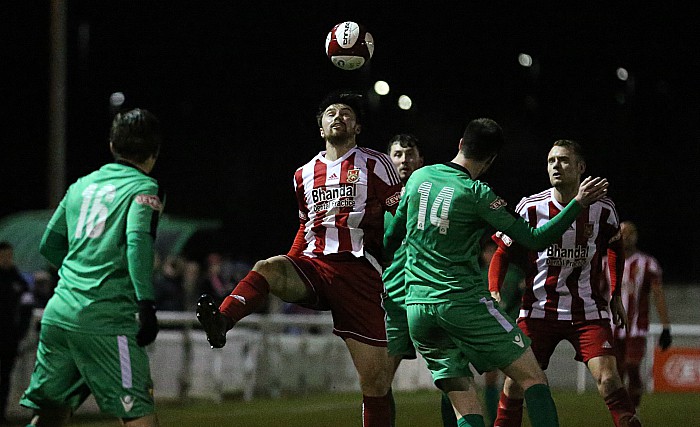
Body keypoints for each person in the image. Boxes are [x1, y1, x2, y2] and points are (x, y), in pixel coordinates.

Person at [384, 119, 609, 427]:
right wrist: (578, 204)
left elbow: (391, 238)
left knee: (461, 393)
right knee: (533, 377)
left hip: (417, 309)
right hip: (460, 303)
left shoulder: (419, 177)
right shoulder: (477, 193)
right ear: (490, 160)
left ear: (460, 144)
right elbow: (533, 239)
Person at [197, 91, 403, 427]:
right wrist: (292, 263)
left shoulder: (376, 163)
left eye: (347, 113)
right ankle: (222, 320)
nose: (339, 117)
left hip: (359, 273)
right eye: (331, 112)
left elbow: (402, 216)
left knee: (376, 384)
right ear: (321, 127)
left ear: (358, 126)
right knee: (268, 267)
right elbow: (306, 226)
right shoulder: (303, 174)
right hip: (315, 266)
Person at [20, 108, 164, 427]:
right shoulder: (144, 188)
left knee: (50, 415)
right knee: (138, 413)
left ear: (112, 145)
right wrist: (146, 303)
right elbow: (137, 243)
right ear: (154, 152)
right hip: (107, 318)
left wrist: (80, 274)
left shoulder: (80, 185)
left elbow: (49, 244)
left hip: (59, 315)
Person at [489, 139, 641, 427]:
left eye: (564, 160)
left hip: (587, 311)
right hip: (538, 311)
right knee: (514, 385)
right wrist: (493, 289)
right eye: (551, 161)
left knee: (608, 380)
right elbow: (501, 252)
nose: (556, 166)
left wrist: (616, 294)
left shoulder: (603, 209)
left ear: (581, 167)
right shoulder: (531, 207)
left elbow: (614, 248)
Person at [381, 134, 460, 426]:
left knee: (452, 377)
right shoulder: (377, 203)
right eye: (397, 154)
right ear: (388, 161)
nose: (403, 160)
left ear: (421, 160)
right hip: (394, 300)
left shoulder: (440, 194)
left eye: (409, 154)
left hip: (435, 295)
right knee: (379, 383)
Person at [604, 221, 671, 408]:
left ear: (636, 236)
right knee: (614, 374)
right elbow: (596, 293)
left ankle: (634, 411)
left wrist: (666, 327)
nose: (626, 236)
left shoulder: (648, 264)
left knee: (632, 366)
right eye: (623, 232)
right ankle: (621, 413)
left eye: (630, 233)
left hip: (637, 325)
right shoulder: (605, 263)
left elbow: (658, 294)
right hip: (612, 326)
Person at [479, 239, 524, 426]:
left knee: (513, 379)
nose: (490, 255)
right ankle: (492, 420)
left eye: (494, 251)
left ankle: (505, 418)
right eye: (487, 252)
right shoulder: (478, 274)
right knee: (490, 378)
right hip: (487, 331)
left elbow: (522, 299)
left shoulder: (513, 273)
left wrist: (514, 320)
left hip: (510, 330)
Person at [0, 241, 34, 424]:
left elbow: (27, 306)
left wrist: (19, 332)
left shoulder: (18, 281)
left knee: (5, 378)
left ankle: (2, 413)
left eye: (9, 255)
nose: (6, 259)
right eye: (3, 255)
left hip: (8, 339)